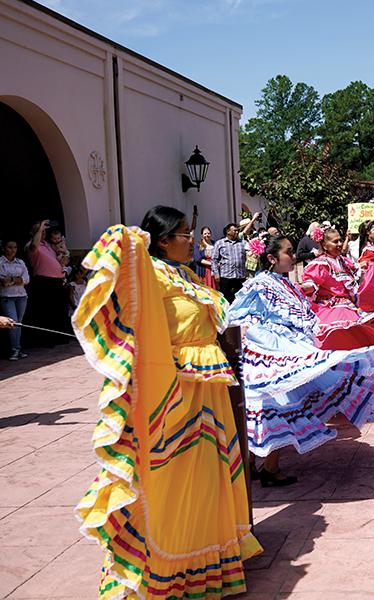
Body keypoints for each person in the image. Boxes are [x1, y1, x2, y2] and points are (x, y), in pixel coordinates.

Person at [72, 206, 260, 598]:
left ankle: (206, 564)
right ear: (161, 240)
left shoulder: (188, 275)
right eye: (184, 233)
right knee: (173, 476)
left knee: (211, 475)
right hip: (175, 391)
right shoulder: (149, 272)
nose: (192, 239)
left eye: (190, 232)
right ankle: (164, 570)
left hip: (208, 386)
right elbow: (122, 264)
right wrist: (135, 243)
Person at [228, 233, 374, 486]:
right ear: (272, 258)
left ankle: (265, 465)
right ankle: (261, 465)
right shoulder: (260, 284)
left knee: (279, 402)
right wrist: (260, 337)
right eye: (288, 252)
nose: (293, 256)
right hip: (268, 352)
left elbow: (303, 308)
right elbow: (238, 315)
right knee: (273, 403)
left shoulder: (283, 282)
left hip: (286, 348)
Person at [301, 228, 374, 365]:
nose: (339, 244)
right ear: (324, 245)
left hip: (349, 306)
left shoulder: (344, 261)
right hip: (330, 308)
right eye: (335, 241)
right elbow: (311, 283)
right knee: (337, 340)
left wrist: (368, 268)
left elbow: (358, 271)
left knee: (364, 336)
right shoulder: (320, 264)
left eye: (340, 240)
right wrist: (304, 287)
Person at [23, 220, 70, 346]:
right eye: (40, 231)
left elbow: (63, 254)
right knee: (46, 312)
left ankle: (60, 336)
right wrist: (40, 227)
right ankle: (47, 339)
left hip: (57, 281)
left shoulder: (47, 245)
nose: (43, 233)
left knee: (58, 310)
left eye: (44, 231)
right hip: (44, 281)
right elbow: (33, 246)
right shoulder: (31, 245)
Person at [0, 239, 29, 360]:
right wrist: (17, 280)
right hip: (7, 297)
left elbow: (26, 279)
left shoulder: (20, 262)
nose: (12, 250)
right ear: (4, 248)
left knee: (18, 324)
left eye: (15, 247)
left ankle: (17, 348)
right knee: (13, 323)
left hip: (21, 296)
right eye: (10, 247)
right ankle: (14, 350)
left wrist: (12, 279)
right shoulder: (0, 262)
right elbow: (3, 281)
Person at [212, 222, 247, 302]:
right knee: (226, 298)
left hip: (240, 276)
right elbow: (214, 260)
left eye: (237, 230)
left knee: (240, 299)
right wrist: (216, 274)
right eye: (235, 230)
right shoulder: (220, 243)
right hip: (226, 276)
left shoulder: (242, 243)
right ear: (228, 232)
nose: (237, 232)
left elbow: (251, 250)